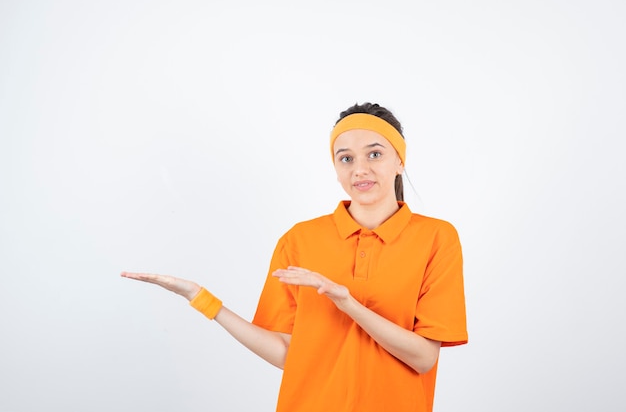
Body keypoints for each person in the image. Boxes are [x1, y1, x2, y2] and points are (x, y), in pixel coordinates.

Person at [121, 102, 468, 412]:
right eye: (346, 158)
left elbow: (424, 358)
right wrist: (201, 299)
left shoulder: (436, 238)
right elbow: (289, 353)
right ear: (335, 168)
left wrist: (346, 302)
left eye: (374, 154)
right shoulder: (300, 239)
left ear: (400, 161)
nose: (359, 169)